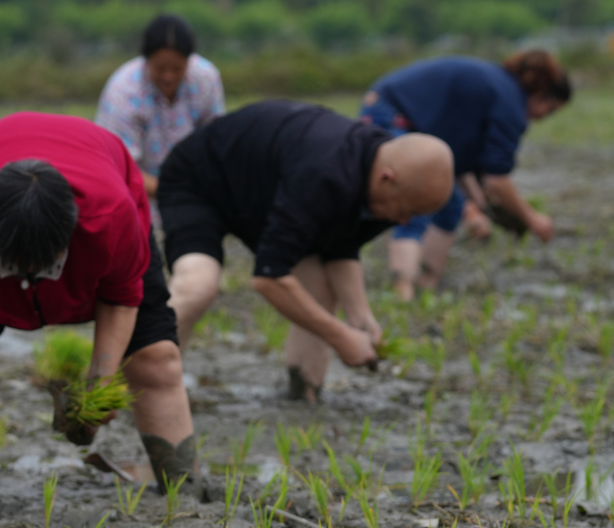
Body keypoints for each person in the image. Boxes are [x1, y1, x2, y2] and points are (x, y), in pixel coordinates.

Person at [0, 112, 196, 493]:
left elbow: (120, 299)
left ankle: (183, 489)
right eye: (19, 265)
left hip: (105, 207)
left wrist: (97, 392)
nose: (33, 274)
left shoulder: (111, 216)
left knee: (155, 359)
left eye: (45, 263)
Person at [160, 100, 454, 403]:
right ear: (386, 178)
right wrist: (340, 336)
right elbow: (269, 278)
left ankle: (304, 396)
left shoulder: (382, 185)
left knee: (320, 287)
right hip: (199, 182)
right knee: (198, 285)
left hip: (263, 195)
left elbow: (340, 246)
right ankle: (150, 381)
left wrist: (360, 315)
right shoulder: (323, 174)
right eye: (406, 211)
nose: (404, 221)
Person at [359, 50, 572, 300]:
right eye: (550, 109)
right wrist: (532, 219)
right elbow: (497, 179)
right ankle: (402, 290)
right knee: (413, 198)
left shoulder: (497, 89)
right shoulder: (510, 102)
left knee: (451, 206)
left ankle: (427, 285)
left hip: (406, 116)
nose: (543, 117)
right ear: (540, 93)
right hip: (392, 113)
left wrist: (475, 208)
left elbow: (460, 165)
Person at [95, 13, 225, 199]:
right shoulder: (124, 91)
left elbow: (215, 142)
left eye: (177, 68)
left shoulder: (206, 79)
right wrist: (175, 193)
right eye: (160, 68)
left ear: (189, 60)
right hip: (136, 196)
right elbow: (120, 167)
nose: (168, 76)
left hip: (194, 194)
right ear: (147, 60)